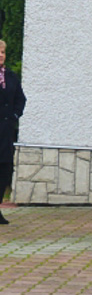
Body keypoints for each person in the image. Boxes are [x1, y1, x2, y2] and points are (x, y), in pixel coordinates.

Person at [0, 40, 25, 225]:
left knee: (4, 169)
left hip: (6, 131)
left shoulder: (11, 76)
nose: (1, 55)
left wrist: (14, 115)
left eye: (2, 52)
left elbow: (20, 98)